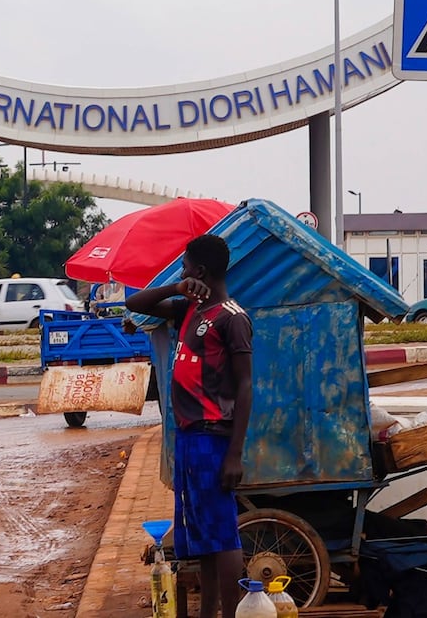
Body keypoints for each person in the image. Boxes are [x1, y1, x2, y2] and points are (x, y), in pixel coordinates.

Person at [125, 235, 252, 618]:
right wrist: (177, 288)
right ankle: (207, 613)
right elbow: (135, 303)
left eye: (184, 267)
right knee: (201, 539)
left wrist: (235, 454)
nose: (182, 272)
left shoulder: (232, 318)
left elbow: (246, 386)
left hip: (214, 439)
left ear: (200, 270)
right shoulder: (188, 311)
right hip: (188, 440)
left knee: (223, 536)